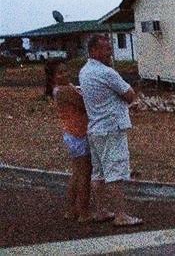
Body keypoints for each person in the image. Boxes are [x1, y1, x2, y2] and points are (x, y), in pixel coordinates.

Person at [79, 34, 142, 227]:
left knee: (98, 173)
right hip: (111, 128)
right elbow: (130, 95)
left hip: (95, 128)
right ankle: (121, 215)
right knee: (115, 171)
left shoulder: (84, 72)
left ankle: (100, 210)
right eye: (106, 49)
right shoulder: (107, 73)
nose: (110, 52)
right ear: (95, 51)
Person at [47, 61, 92, 223]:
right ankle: (83, 212)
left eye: (65, 71)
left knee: (76, 173)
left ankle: (71, 209)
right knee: (84, 174)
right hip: (78, 133)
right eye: (60, 73)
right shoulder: (65, 91)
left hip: (70, 133)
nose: (64, 74)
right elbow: (84, 104)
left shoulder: (58, 90)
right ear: (52, 77)